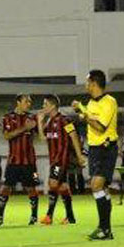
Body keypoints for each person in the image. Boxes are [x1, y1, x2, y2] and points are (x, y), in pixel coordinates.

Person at [72, 70, 118, 240]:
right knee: (101, 189)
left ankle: (104, 229)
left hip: (106, 148)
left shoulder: (109, 101)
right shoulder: (91, 102)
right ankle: (106, 229)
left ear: (93, 83)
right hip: (94, 149)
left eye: (86, 82)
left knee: (96, 185)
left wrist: (82, 112)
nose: (85, 85)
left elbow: (100, 127)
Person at [37, 94, 86, 225]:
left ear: (53, 106)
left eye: (45, 104)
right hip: (53, 159)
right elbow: (42, 138)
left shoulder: (65, 120)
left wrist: (79, 155)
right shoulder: (48, 122)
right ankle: (70, 217)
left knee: (52, 184)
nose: (43, 107)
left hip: (62, 159)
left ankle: (49, 216)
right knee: (62, 186)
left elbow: (74, 136)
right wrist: (39, 122)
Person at [0, 94, 40, 226]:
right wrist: (25, 128)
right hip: (14, 161)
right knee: (6, 188)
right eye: (26, 101)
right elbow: (7, 136)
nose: (29, 104)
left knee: (31, 188)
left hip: (29, 162)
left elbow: (40, 135)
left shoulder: (32, 117)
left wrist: (40, 121)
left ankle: (34, 217)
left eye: (30, 102)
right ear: (18, 102)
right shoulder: (8, 118)